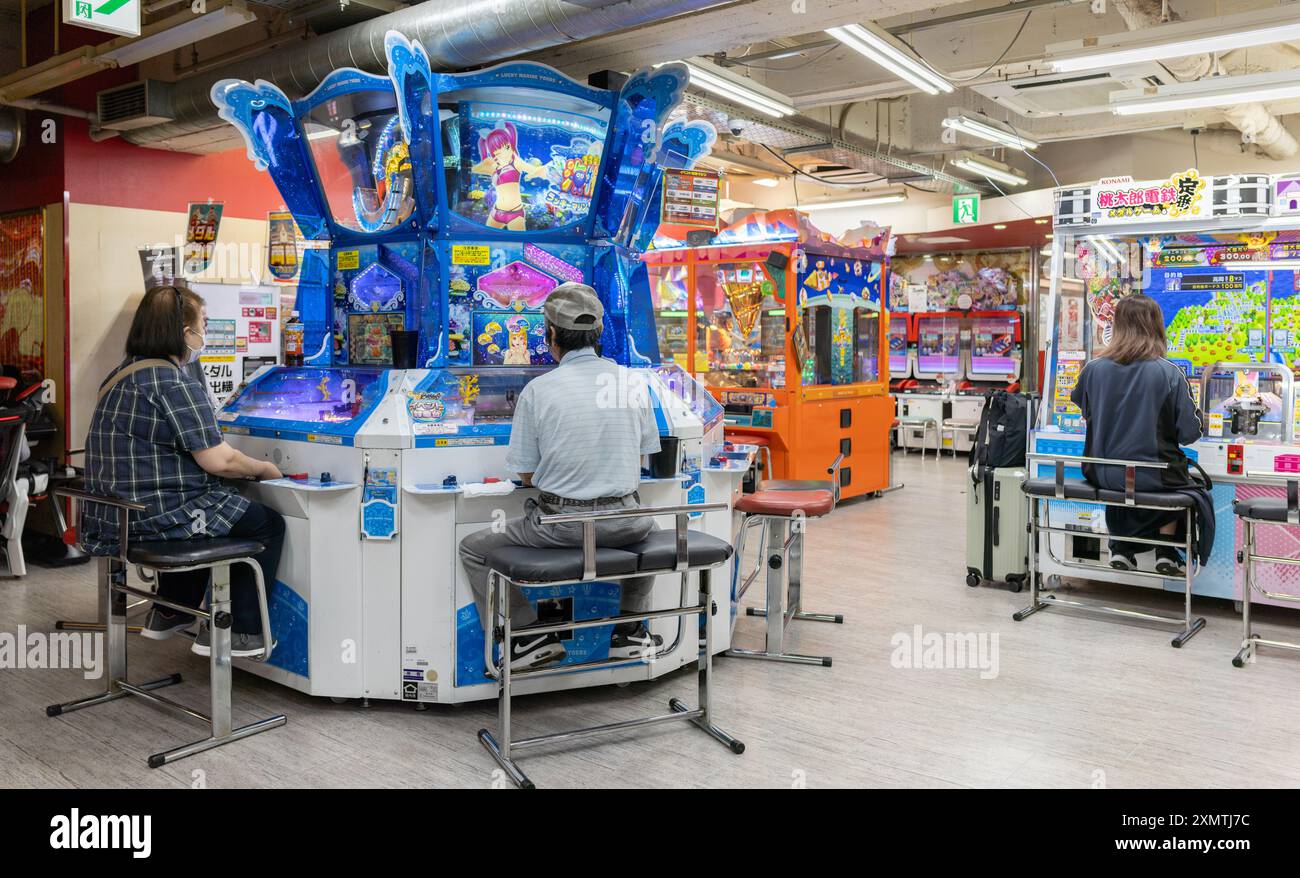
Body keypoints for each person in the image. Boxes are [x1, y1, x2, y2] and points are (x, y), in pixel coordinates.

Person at [459, 283, 663, 671]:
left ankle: (528, 637)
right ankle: (630, 631)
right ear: (599, 334)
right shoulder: (631, 383)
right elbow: (640, 457)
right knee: (647, 527)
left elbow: (527, 473)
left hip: (562, 526)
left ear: (551, 336)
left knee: (473, 546)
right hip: (625, 521)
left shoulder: (538, 390)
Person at [83, 285, 285, 657]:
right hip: (153, 517)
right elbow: (219, 460)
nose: (204, 334)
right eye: (203, 324)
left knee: (210, 509)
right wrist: (266, 469)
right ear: (182, 332)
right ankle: (241, 632)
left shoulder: (120, 374)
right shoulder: (172, 381)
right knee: (265, 522)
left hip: (111, 517)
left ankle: (170, 610)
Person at [1070, 294, 1211, 576]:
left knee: (1123, 475)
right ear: (1156, 326)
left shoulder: (1092, 369)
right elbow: (1189, 433)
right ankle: (1167, 550)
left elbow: (1084, 413)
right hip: (1154, 475)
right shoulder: (1169, 373)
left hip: (1101, 473)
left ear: (1118, 325)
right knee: (1183, 483)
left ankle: (1120, 547)